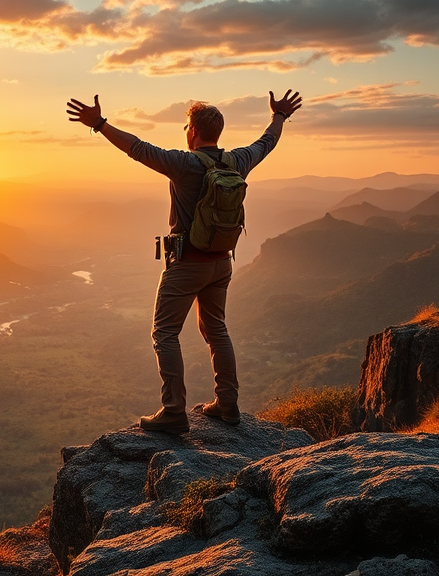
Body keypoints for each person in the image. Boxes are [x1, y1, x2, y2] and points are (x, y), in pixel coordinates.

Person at [66, 90, 303, 434]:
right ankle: (227, 403)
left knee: (164, 332)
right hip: (222, 262)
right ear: (217, 132)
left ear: (193, 131)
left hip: (187, 264)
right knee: (216, 329)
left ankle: (174, 410)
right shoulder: (237, 160)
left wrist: (100, 124)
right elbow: (267, 142)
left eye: (187, 127)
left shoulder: (184, 164)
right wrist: (279, 115)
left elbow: (137, 148)